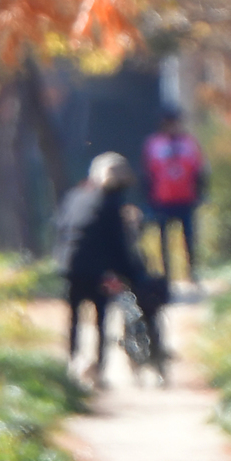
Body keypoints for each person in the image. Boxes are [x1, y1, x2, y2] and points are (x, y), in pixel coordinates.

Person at [54, 151, 151, 385]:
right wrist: (134, 274)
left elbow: (60, 226)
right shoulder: (111, 204)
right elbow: (117, 244)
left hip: (70, 264)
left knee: (74, 316)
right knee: (101, 318)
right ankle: (99, 371)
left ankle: (72, 365)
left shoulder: (75, 197)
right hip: (96, 269)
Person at [141, 111, 205, 285]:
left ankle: (191, 271)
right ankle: (166, 275)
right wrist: (149, 199)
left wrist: (200, 194)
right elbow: (148, 174)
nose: (172, 127)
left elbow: (198, 171)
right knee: (163, 238)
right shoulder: (154, 144)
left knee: (189, 237)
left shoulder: (189, 143)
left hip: (186, 199)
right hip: (162, 200)